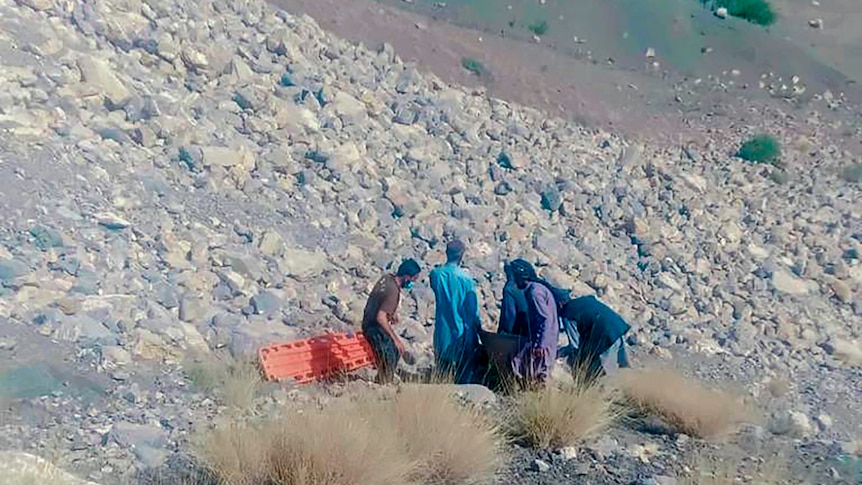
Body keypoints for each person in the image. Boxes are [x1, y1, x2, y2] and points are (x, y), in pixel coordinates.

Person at [361, 258, 422, 384]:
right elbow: (380, 317)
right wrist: (396, 339)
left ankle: (384, 379)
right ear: (406, 277)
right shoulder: (393, 292)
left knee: (393, 350)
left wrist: (392, 313)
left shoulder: (387, 278)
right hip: (373, 327)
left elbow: (379, 299)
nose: (413, 283)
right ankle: (383, 383)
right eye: (413, 279)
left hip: (368, 319)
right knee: (391, 353)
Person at [429, 240, 482, 384]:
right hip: (462, 333)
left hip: (442, 330)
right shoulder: (466, 279)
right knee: (463, 374)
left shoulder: (436, 274)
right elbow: (472, 311)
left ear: (446, 253)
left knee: (442, 373)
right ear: (462, 255)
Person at [507, 259, 559, 387]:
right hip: (546, 336)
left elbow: (545, 318)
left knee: (540, 372)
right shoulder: (538, 288)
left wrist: (541, 344)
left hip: (545, 339)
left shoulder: (535, 292)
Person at [560, 294, 631, 380]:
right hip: (618, 328)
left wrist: (559, 353)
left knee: (606, 375)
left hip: (606, 336)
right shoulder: (586, 299)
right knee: (624, 368)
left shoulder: (568, 314)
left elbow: (575, 346)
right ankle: (634, 388)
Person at [499, 261, 528, 336]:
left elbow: (510, 314)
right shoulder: (526, 287)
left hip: (515, 333)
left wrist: (505, 332)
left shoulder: (509, 288)